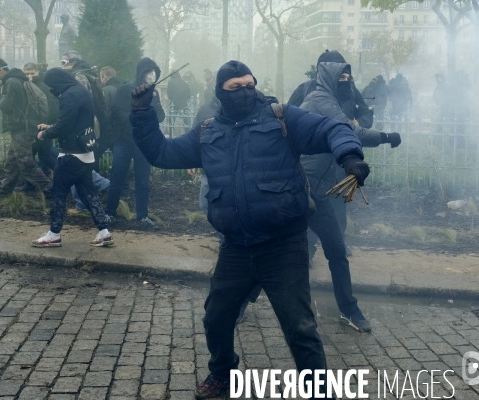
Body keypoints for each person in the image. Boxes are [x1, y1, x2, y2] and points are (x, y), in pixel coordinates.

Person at [130, 60, 369, 399]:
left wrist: (350, 155)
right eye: (235, 87)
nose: (244, 91)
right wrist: (141, 112)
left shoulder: (280, 117)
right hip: (236, 248)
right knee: (216, 317)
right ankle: (223, 375)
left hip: (283, 245)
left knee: (300, 327)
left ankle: (318, 392)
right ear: (220, 92)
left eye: (249, 84)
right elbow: (161, 152)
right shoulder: (208, 130)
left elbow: (333, 129)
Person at [300, 61, 401, 333]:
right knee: (272, 253)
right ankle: (237, 308)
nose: (346, 81)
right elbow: (349, 130)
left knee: (337, 251)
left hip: (318, 192)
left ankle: (349, 310)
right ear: (329, 79)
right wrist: (386, 136)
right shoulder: (320, 99)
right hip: (298, 189)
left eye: (348, 76)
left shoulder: (331, 98)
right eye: (340, 77)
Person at [32, 68, 113, 248]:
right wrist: (52, 126)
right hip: (85, 153)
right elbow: (74, 122)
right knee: (88, 193)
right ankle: (104, 232)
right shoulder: (81, 91)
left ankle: (54, 234)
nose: (51, 89)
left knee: (58, 192)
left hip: (71, 154)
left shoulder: (69, 95)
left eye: (51, 85)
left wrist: (44, 134)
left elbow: (64, 126)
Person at [106, 58, 165, 230]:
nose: (152, 75)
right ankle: (110, 214)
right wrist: (135, 116)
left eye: (154, 71)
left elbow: (160, 116)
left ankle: (142, 217)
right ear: (141, 73)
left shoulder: (154, 93)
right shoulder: (126, 89)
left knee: (143, 181)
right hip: (124, 142)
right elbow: (116, 112)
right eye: (148, 71)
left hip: (143, 144)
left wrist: (150, 113)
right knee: (117, 178)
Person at [0, 62, 52, 205]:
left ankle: (50, 191)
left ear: (1, 70)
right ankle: (3, 193)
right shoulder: (17, 79)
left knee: (26, 163)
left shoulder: (11, 82)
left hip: (21, 129)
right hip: (21, 128)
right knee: (12, 162)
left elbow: (6, 106)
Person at [288, 50, 374, 129]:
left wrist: (357, 124)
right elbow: (288, 118)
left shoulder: (349, 88)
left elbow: (366, 113)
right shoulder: (305, 89)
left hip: (344, 142)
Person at [17, 62, 59, 192]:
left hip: (41, 127)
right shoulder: (26, 86)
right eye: (27, 74)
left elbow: (50, 107)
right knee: (43, 156)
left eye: (32, 74)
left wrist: (46, 125)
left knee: (36, 156)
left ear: (37, 73)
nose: (29, 76)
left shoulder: (43, 86)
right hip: (33, 126)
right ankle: (32, 184)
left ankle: (31, 185)